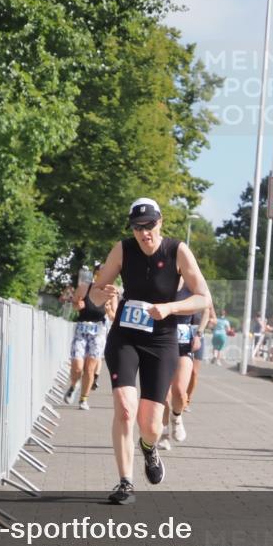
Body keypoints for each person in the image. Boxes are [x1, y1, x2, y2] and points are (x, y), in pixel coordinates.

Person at [89, 198, 210, 505]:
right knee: (125, 408)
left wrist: (170, 307)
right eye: (138, 227)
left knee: (151, 423)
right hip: (125, 337)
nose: (144, 233)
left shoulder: (177, 251)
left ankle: (149, 447)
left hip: (162, 340)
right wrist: (104, 292)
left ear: (161, 221)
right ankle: (125, 482)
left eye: (150, 225)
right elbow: (94, 291)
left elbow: (202, 298)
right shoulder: (123, 249)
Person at [63, 263, 115, 410]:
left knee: (90, 368)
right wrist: (77, 305)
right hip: (81, 329)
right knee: (77, 366)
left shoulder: (111, 293)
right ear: (95, 274)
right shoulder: (85, 287)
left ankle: (83, 399)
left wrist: (109, 311)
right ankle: (74, 385)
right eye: (99, 273)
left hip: (98, 332)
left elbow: (114, 317)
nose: (102, 277)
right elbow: (74, 303)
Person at [159, 282, 198, 450]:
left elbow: (207, 308)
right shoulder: (161, 283)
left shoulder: (191, 287)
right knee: (163, 394)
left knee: (180, 391)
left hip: (183, 344)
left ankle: (177, 417)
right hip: (162, 342)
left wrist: (200, 333)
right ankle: (164, 434)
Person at [186, 303, 214, 411]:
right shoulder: (182, 294)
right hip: (182, 333)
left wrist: (210, 322)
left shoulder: (205, 299)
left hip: (198, 335)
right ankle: (178, 397)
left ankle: (187, 399)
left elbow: (213, 319)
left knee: (194, 372)